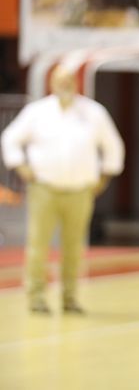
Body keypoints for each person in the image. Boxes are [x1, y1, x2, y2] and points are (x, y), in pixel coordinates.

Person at [1, 63, 124, 315]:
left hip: (80, 189)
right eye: (60, 80)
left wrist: (105, 177)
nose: (65, 84)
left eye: (69, 80)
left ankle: (70, 298)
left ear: (76, 83)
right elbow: (10, 138)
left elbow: (114, 146)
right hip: (44, 188)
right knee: (38, 244)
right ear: (52, 83)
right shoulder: (37, 112)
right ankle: (36, 297)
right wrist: (20, 166)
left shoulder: (93, 112)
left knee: (73, 247)